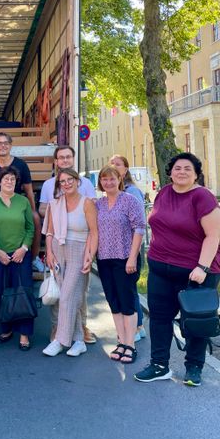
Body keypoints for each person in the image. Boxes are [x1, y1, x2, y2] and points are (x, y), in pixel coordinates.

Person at [134, 153, 220, 386]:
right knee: (160, 319)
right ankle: (159, 365)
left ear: (196, 174)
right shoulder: (163, 193)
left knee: (195, 321)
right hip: (161, 270)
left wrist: (202, 267)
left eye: (187, 169)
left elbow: (213, 236)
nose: (181, 172)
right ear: (170, 172)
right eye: (177, 168)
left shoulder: (202, 197)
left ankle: (194, 367)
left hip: (196, 272)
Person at [38, 144, 97, 345]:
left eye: (67, 157)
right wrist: (60, 213)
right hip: (59, 241)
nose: (64, 160)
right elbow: (43, 210)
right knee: (59, 288)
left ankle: (81, 327)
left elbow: (92, 216)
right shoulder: (48, 185)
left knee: (78, 289)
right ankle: (58, 326)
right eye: (60, 158)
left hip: (80, 242)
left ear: (73, 159)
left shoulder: (86, 184)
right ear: (56, 161)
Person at [95, 165, 145, 364]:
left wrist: (132, 258)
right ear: (100, 182)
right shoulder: (98, 204)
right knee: (113, 302)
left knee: (127, 302)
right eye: (104, 179)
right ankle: (121, 342)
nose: (108, 182)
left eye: (112, 179)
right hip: (105, 258)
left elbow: (139, 228)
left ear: (119, 179)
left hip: (125, 258)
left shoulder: (129, 201)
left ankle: (130, 345)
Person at [0, 166, 35, 351]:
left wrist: (23, 248)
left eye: (13, 179)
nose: (9, 182)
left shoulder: (22, 201)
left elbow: (31, 228)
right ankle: (6, 329)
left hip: (21, 255)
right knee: (2, 292)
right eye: (6, 179)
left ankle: (24, 333)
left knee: (23, 292)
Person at [0, 132, 42, 268]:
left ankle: (34, 258)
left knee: (35, 218)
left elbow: (29, 191)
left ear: (10, 146)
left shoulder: (21, 164)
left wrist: (32, 210)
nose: (2, 146)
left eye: (5, 143)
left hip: (16, 203)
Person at [110, 154, 146, 343]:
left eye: (118, 164)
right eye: (112, 164)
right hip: (116, 250)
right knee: (125, 290)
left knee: (129, 290)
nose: (115, 166)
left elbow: (139, 224)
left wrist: (133, 253)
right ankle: (136, 326)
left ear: (125, 169)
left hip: (129, 250)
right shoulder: (115, 192)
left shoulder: (132, 192)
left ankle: (137, 327)